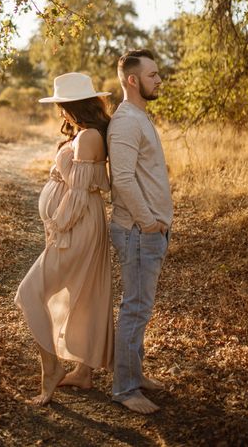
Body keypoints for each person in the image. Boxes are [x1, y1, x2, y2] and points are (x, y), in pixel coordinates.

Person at [15, 72, 114, 405]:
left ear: (71, 105)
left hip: (78, 225)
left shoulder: (87, 138)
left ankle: (52, 370)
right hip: (79, 223)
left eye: (61, 105)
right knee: (81, 292)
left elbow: (80, 192)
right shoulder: (86, 134)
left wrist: (58, 226)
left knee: (30, 292)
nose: (59, 112)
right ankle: (83, 373)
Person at [107, 49, 174, 414]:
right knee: (134, 309)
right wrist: (148, 222)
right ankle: (125, 389)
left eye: (158, 74)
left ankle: (135, 372)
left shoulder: (140, 117)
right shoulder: (127, 121)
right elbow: (122, 179)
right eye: (152, 75)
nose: (158, 80)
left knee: (140, 308)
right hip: (137, 232)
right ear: (132, 80)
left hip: (147, 231)